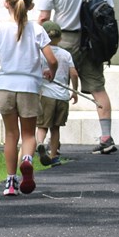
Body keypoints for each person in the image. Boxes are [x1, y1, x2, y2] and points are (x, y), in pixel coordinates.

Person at [37, 0, 118, 155]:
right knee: (98, 88)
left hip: (63, 41)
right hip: (92, 41)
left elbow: (44, 17)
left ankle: (52, 144)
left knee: (55, 88)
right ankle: (106, 137)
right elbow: (109, 7)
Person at [0, 0, 56, 197]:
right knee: (28, 134)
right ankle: (27, 159)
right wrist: (49, 71)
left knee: (10, 134)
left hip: (6, 86)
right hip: (29, 87)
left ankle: (10, 182)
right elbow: (52, 59)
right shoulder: (37, 30)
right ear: (31, 6)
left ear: (7, 4)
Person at [36, 19, 77, 167]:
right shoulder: (66, 54)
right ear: (60, 38)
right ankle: (54, 157)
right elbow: (74, 73)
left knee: (42, 126)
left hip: (46, 94)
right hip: (62, 96)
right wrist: (75, 91)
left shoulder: (40, 54)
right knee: (55, 128)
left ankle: (40, 143)